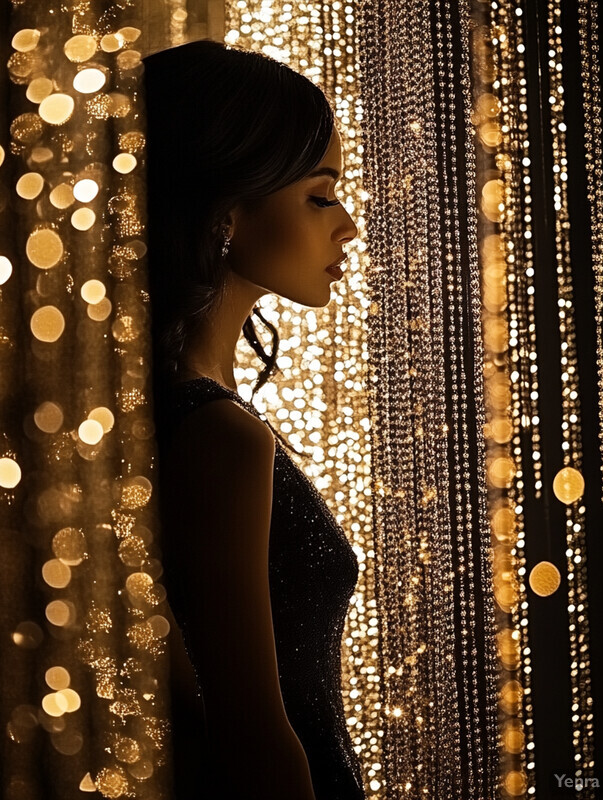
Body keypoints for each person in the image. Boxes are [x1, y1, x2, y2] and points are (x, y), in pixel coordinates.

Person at [143, 39, 364, 799]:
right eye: (320, 194)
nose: (347, 226)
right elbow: (251, 733)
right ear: (228, 211)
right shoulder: (217, 435)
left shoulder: (190, 413)